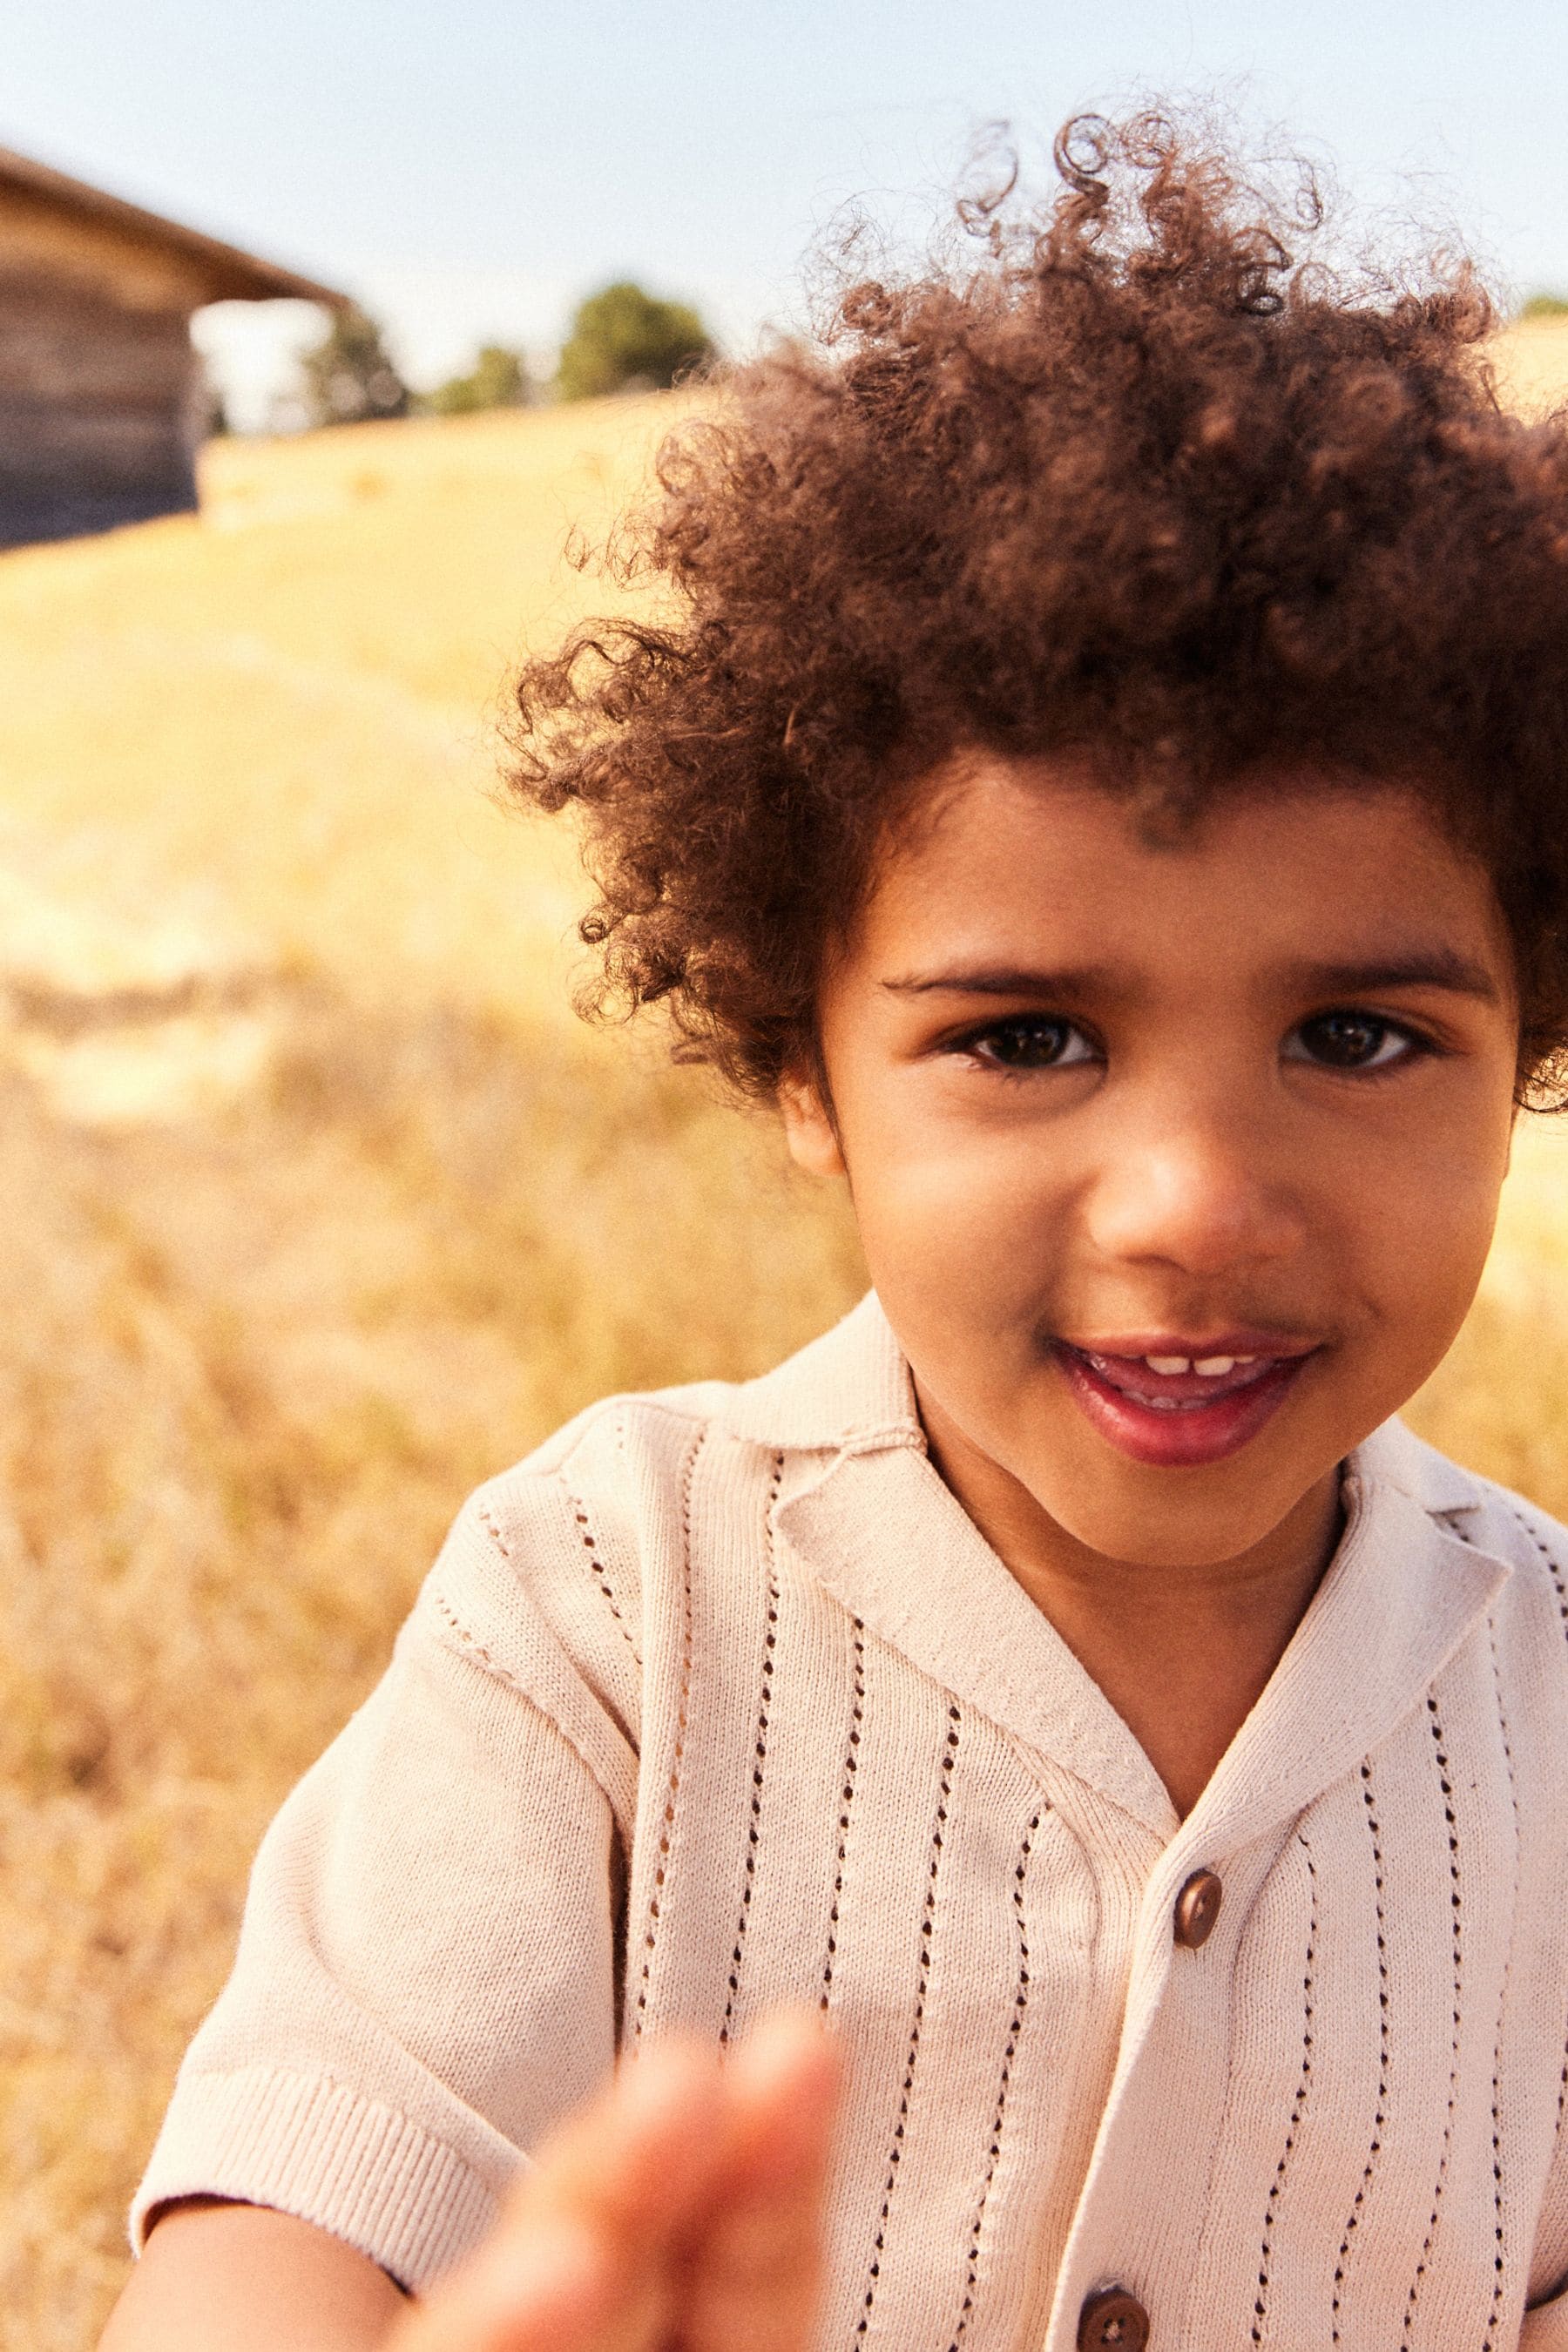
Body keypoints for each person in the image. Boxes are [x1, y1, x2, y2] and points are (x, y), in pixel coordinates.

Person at [101, 111, 1568, 2351]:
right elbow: (293, 2211)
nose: (1190, 1208)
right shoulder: (610, 1604)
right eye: (1031, 1039)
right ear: (805, 1071)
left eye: (1358, 1037)